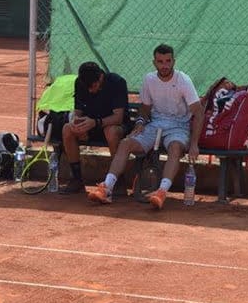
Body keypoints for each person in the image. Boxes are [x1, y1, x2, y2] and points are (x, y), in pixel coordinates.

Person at [87, 44, 203, 209]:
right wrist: (140, 122)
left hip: (179, 126)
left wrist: (194, 144)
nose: (164, 65)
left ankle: (161, 192)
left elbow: (199, 112)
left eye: (168, 61)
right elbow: (145, 108)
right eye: (160, 61)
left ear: (173, 61)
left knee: (175, 148)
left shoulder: (183, 80)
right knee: (125, 143)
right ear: (154, 62)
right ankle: (107, 188)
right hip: (154, 124)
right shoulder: (149, 79)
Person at [61, 62, 128, 194]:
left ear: (101, 77)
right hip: (91, 125)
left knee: (111, 132)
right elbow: (78, 111)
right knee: (67, 129)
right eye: (87, 88)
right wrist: (77, 123)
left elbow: (118, 117)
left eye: (93, 86)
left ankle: (118, 179)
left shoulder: (117, 82)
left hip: (113, 126)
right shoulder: (80, 83)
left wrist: (96, 123)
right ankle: (77, 179)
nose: (90, 91)